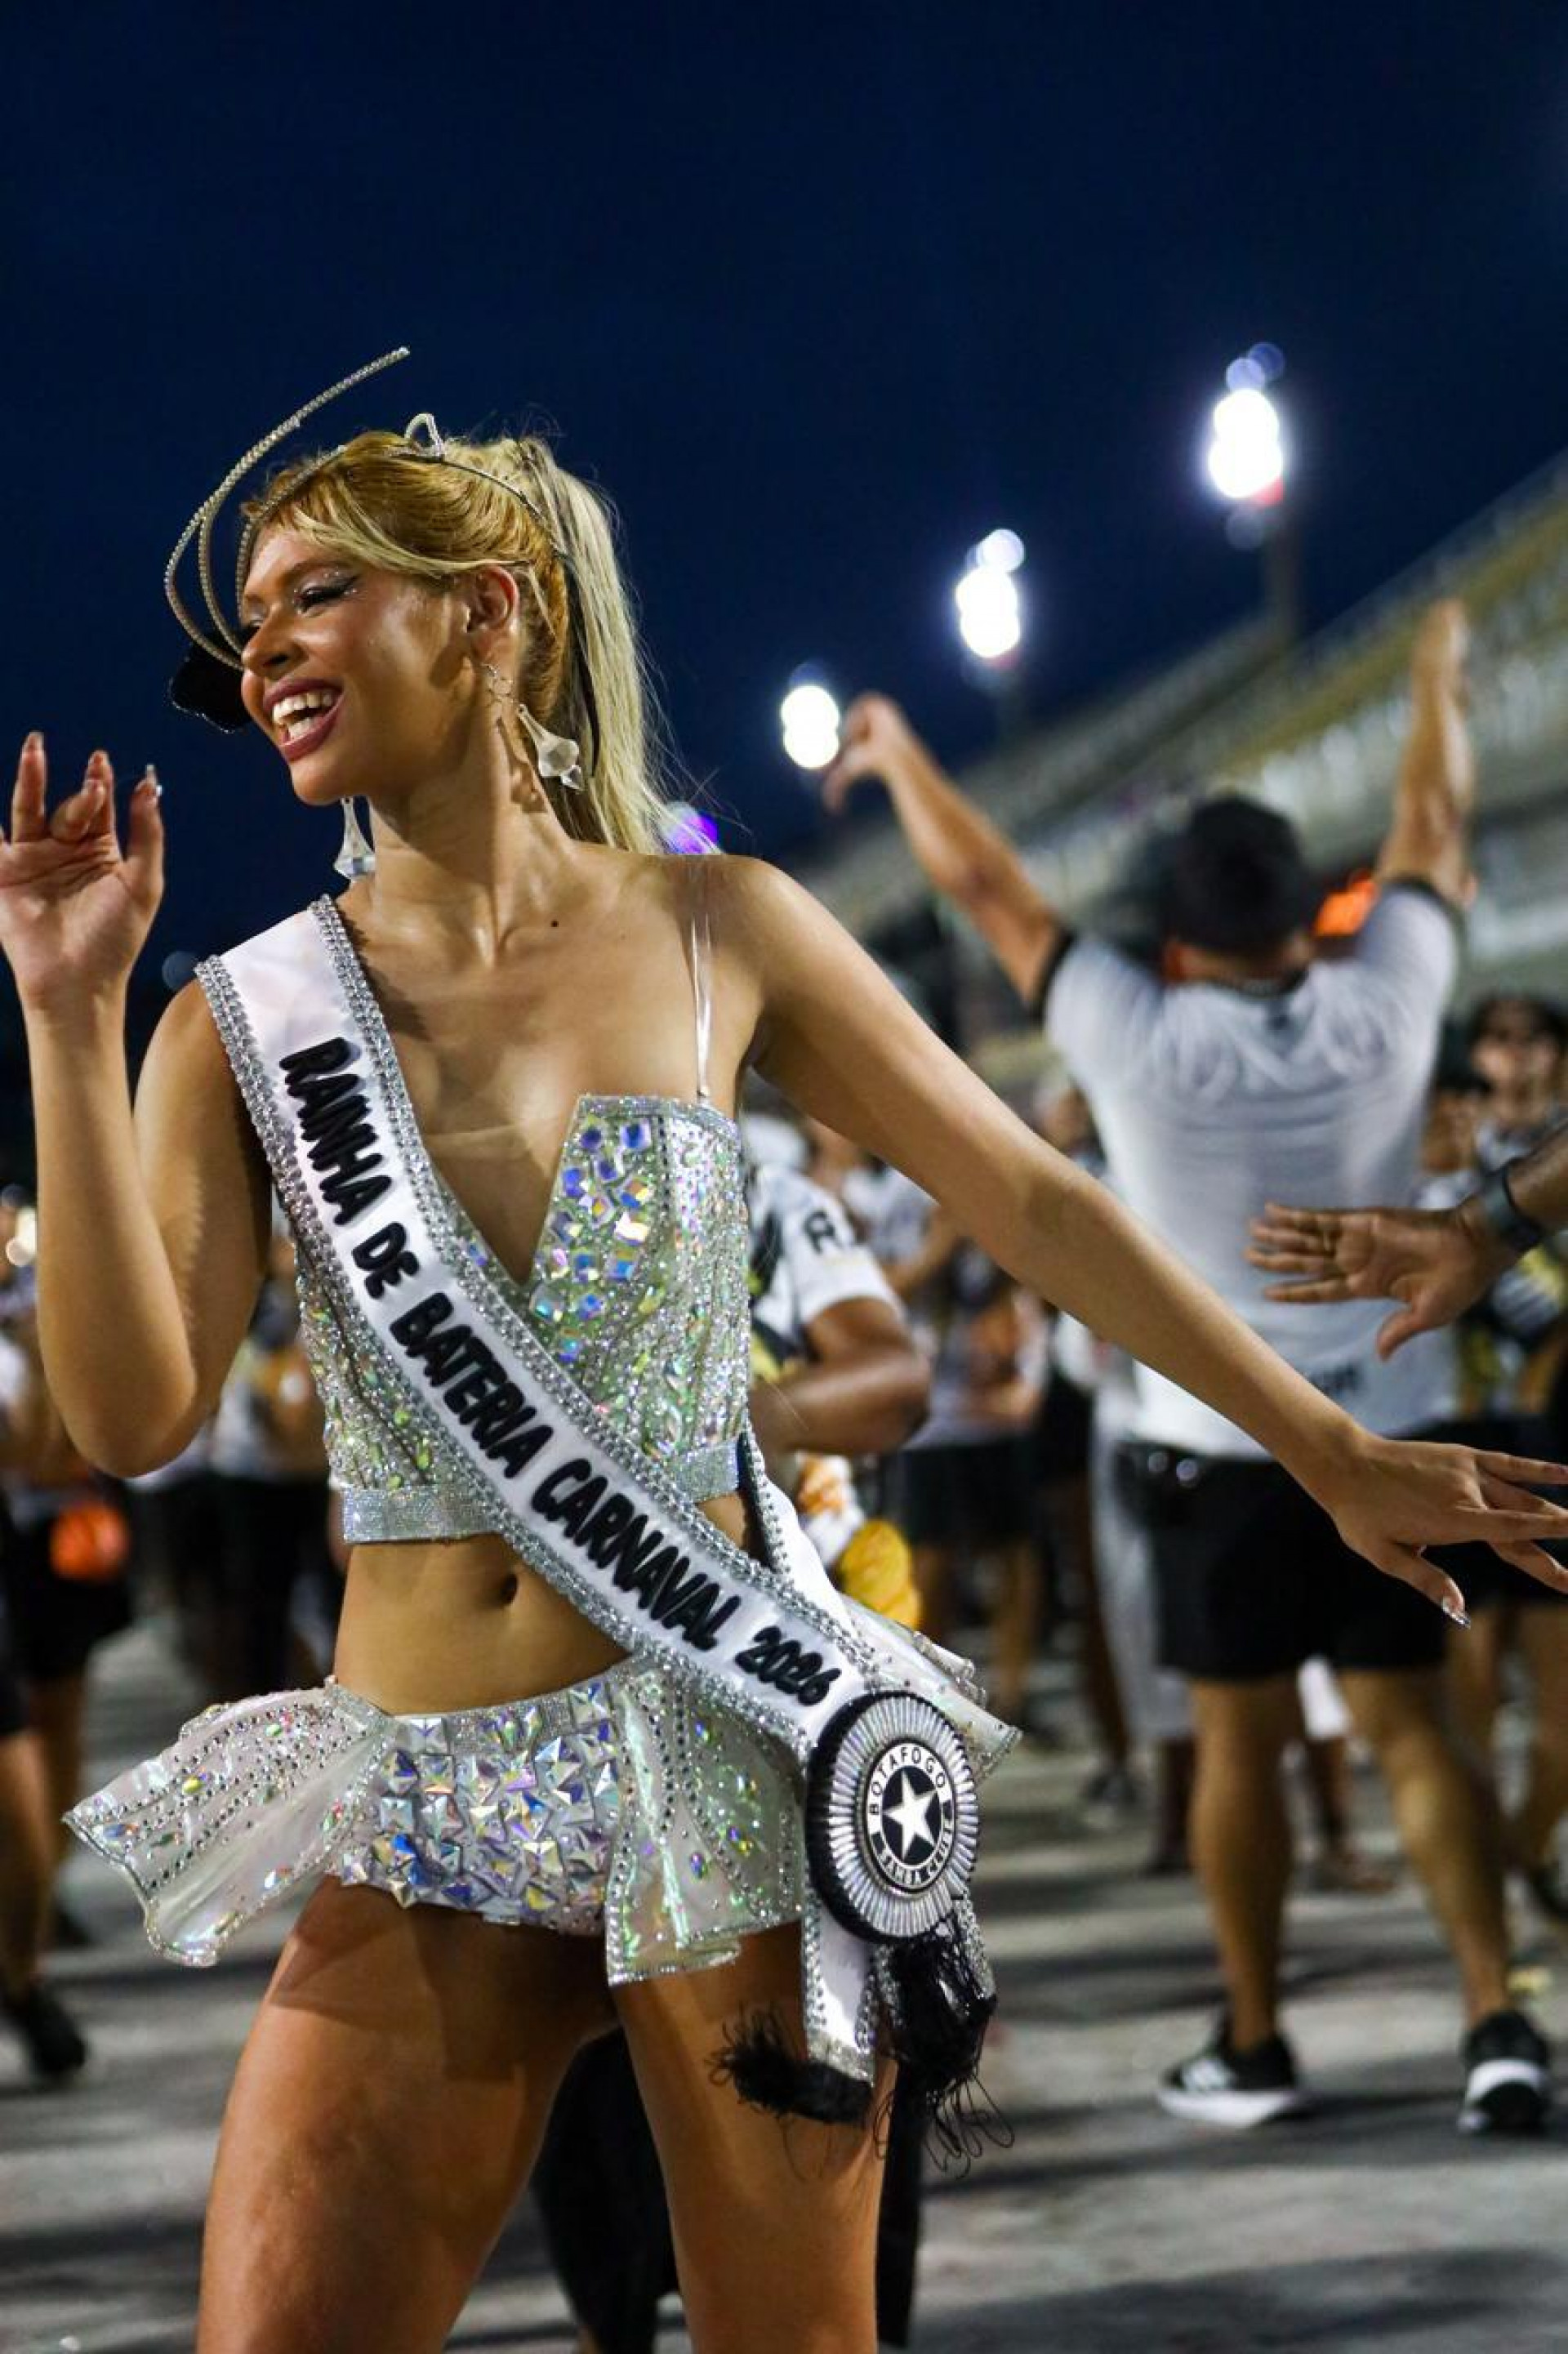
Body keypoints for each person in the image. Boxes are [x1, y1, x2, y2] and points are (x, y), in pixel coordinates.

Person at [12, 371, 1568, 2354]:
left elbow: (1034, 1204)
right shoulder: (239, 1017)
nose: (269, 650)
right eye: (251, 621)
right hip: (423, 1783)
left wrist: (1327, 1439)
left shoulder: (716, 923)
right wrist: (68, 1019)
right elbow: (132, 1416)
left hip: (723, 1752)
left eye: (317, 593)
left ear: (488, 611)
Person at [823, 599, 1562, 2133]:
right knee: (1415, 1726)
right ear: (1314, 910)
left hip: (1218, 1444)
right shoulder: (1387, 993)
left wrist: (897, 754)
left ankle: (1253, 2035)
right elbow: (1433, 817)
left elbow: (984, 886)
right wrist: (1434, 673)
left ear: (1178, 932)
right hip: (1397, 1416)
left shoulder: (1134, 1026)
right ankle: (1497, 2015)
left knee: (1243, 1739)